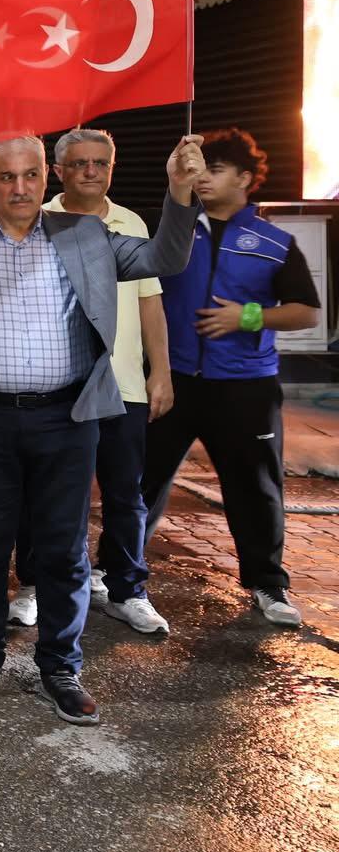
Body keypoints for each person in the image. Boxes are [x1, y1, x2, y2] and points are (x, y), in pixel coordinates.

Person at [0, 133, 202, 726]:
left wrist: (180, 191)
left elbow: (164, 259)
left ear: (45, 178)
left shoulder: (85, 235)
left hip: (67, 418)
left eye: (30, 175)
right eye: (7, 177)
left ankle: (60, 666)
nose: (20, 188)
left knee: (62, 551)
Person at [144, 128, 322, 629]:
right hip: (175, 379)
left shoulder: (274, 242)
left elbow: (306, 312)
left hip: (246, 386)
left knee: (255, 487)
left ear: (244, 178)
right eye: (200, 169)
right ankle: (115, 569)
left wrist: (248, 316)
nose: (203, 178)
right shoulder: (174, 232)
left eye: (216, 170)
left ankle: (268, 583)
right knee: (141, 479)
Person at [14, 129, 174, 636]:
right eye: (79, 163)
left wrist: (161, 372)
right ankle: (34, 585)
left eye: (100, 163)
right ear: (58, 171)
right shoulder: (38, 220)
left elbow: (150, 303)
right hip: (59, 384)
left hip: (122, 384)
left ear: (111, 168)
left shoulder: (131, 223)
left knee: (126, 494)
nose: (90, 171)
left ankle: (127, 589)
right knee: (45, 494)